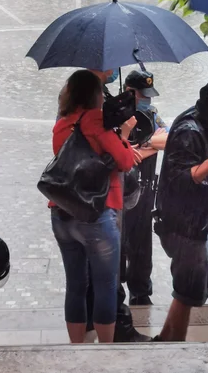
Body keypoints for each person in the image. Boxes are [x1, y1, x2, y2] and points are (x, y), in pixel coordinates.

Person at [57, 68, 150, 343]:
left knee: (75, 285)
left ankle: (76, 347)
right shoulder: (96, 120)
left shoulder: (62, 122)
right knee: (106, 285)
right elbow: (123, 160)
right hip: (97, 213)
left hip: (62, 212)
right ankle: (104, 354)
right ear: (96, 94)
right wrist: (123, 132)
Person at [154, 77, 208, 341]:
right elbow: (180, 180)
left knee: (198, 288)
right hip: (184, 223)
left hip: (198, 218)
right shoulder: (189, 130)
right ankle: (174, 347)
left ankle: (166, 339)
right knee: (188, 291)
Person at [123, 69, 168, 306]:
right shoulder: (116, 116)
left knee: (142, 243)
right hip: (119, 192)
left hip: (146, 189)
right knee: (117, 244)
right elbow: (121, 155)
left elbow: (168, 139)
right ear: (129, 92)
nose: (147, 100)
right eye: (142, 95)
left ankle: (141, 293)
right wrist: (149, 146)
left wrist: (145, 146)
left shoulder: (151, 115)